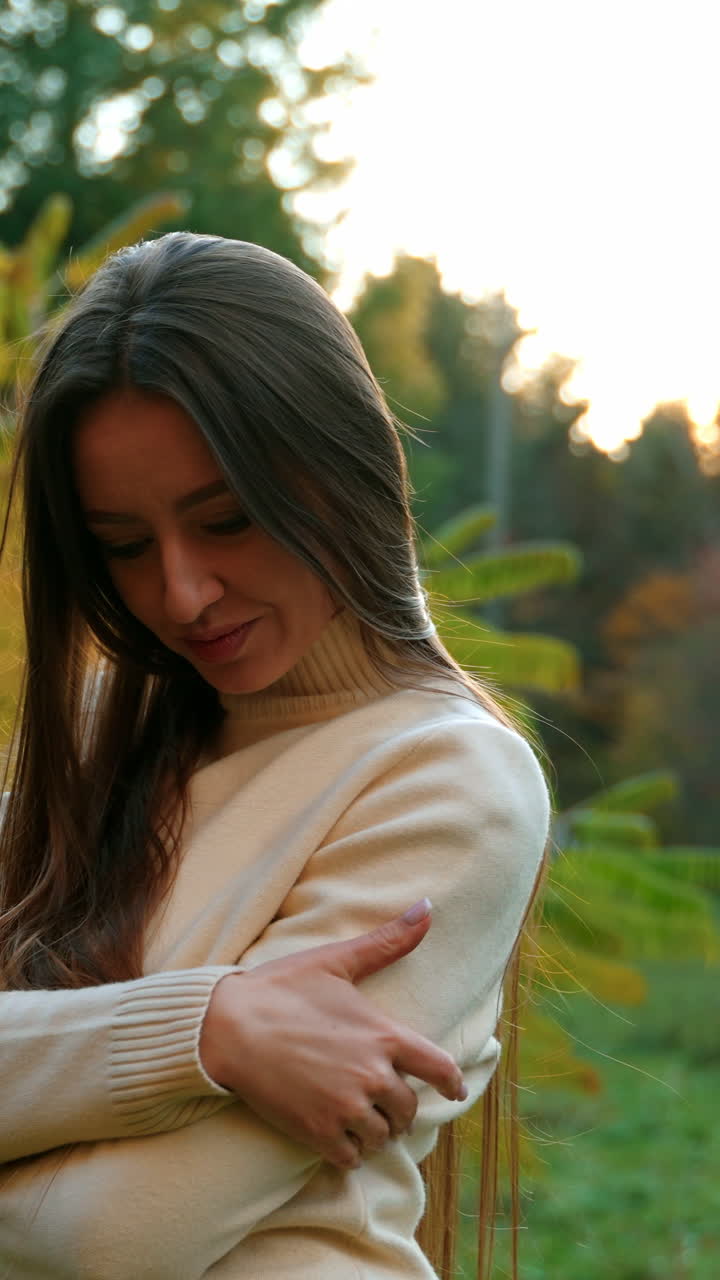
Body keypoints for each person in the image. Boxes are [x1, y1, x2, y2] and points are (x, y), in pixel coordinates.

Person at [0, 232, 550, 1279]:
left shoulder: (449, 779)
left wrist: (63, 1059)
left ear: (341, 469)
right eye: (123, 543)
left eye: (228, 519)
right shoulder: (97, 728)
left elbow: (115, 1236)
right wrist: (208, 1028)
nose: (181, 593)